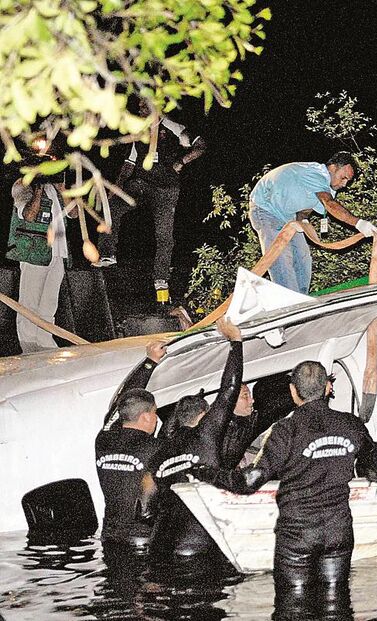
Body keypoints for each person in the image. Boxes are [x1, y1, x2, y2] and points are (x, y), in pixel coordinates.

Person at [192, 360, 377, 619]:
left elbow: (250, 481)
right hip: (338, 532)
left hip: (297, 536)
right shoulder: (351, 424)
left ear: (294, 392)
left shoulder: (286, 430)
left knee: (291, 607)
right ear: (328, 388)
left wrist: (205, 473)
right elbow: (375, 470)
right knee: (337, 605)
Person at [148, 317, 243, 557]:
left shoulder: (158, 455)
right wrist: (236, 341)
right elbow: (229, 390)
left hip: (160, 548)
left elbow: (145, 510)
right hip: (199, 546)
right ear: (204, 416)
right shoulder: (205, 434)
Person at [96, 100, 206, 305]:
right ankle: (107, 254)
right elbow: (129, 163)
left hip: (165, 188)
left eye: (144, 106)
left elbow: (200, 146)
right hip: (140, 185)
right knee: (111, 207)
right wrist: (116, 188)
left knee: (164, 234)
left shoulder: (172, 127)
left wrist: (181, 162)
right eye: (139, 107)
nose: (140, 110)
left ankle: (161, 277)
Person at [248, 152, 377, 294]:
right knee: (281, 256)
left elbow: (306, 208)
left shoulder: (327, 187)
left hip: (288, 217)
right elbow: (329, 204)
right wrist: (358, 223)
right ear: (333, 167)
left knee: (303, 257)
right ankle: (289, 302)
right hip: (265, 208)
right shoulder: (316, 174)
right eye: (343, 178)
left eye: (348, 181)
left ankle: (302, 297)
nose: (344, 184)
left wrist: (302, 221)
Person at [95, 340, 167, 547]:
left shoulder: (103, 439)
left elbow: (121, 403)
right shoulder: (157, 448)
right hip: (144, 540)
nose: (156, 418)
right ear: (145, 417)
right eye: (154, 413)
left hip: (110, 537)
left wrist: (150, 362)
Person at [7, 172, 75, 353]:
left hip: (58, 253)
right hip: (34, 253)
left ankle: (44, 343)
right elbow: (28, 215)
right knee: (29, 306)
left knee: (49, 305)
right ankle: (28, 347)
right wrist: (37, 189)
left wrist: (63, 190)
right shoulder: (23, 184)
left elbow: (74, 213)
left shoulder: (55, 187)